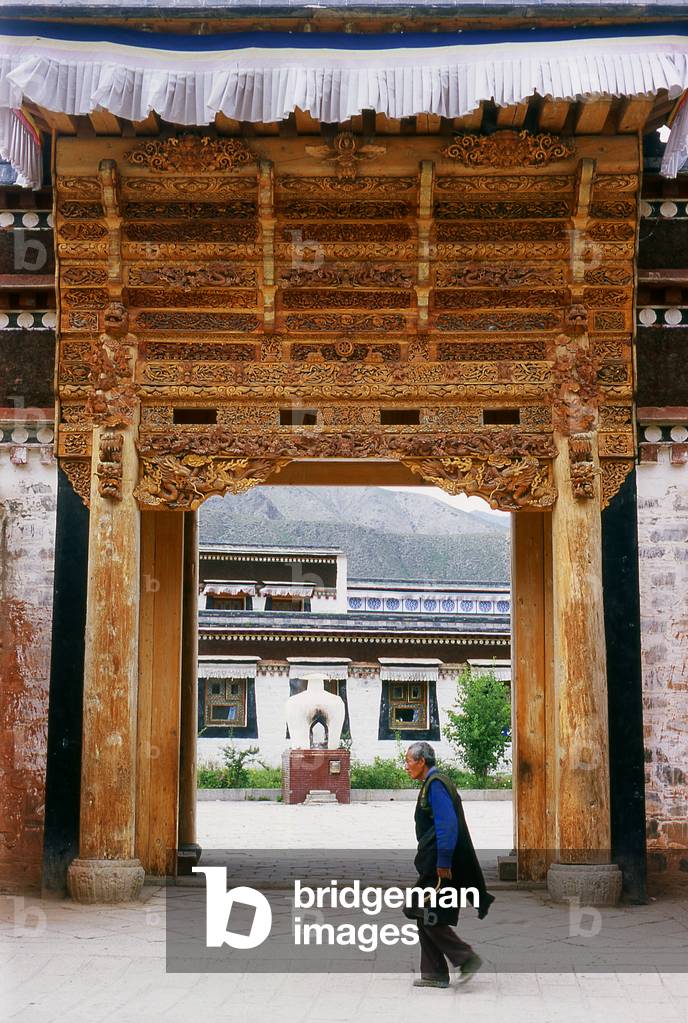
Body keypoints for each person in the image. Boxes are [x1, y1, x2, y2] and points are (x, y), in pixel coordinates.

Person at [403, 740, 494, 988]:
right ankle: (433, 972)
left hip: (439, 865)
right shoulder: (433, 783)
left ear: (422, 762)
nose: (406, 766)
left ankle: (465, 958)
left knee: (422, 909)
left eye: (408, 761)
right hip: (433, 861)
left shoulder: (436, 785)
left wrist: (443, 861)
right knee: (425, 912)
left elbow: (447, 824)